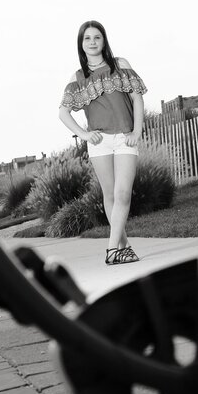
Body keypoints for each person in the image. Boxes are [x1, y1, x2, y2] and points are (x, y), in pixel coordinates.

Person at [57, 20, 147, 265]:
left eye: (97, 37)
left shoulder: (120, 65)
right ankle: (124, 246)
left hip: (124, 138)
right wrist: (84, 135)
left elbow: (137, 99)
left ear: (104, 40)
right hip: (99, 142)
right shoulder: (77, 79)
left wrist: (136, 131)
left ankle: (111, 250)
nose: (93, 42)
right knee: (109, 194)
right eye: (87, 38)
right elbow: (63, 113)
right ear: (81, 44)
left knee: (122, 194)